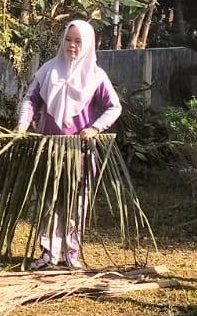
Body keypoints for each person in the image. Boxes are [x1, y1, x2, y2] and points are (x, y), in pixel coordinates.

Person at [13, 19, 122, 271]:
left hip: (79, 153)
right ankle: (48, 253)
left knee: (76, 202)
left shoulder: (96, 77)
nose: (72, 46)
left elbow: (114, 107)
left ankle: (72, 252)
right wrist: (22, 125)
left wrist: (95, 128)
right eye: (68, 40)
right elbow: (30, 100)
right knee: (48, 201)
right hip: (49, 149)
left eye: (78, 41)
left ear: (87, 45)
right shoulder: (48, 71)